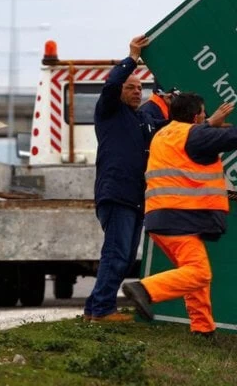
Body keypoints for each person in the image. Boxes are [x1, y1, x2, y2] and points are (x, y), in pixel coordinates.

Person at [121, 92, 237, 336]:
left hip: (162, 217)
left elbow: (195, 136)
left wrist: (207, 125)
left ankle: (203, 328)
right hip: (179, 217)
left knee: (192, 272)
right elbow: (236, 136)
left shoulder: (165, 134)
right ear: (195, 116)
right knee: (199, 273)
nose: (206, 116)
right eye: (203, 113)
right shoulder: (196, 136)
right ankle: (144, 289)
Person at [83, 34, 164, 323]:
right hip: (117, 195)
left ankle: (93, 309)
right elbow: (112, 83)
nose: (136, 91)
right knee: (116, 255)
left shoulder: (141, 119)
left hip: (135, 198)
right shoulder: (109, 112)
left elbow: (167, 117)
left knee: (125, 258)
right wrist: (132, 57)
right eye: (130, 87)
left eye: (140, 88)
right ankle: (103, 310)